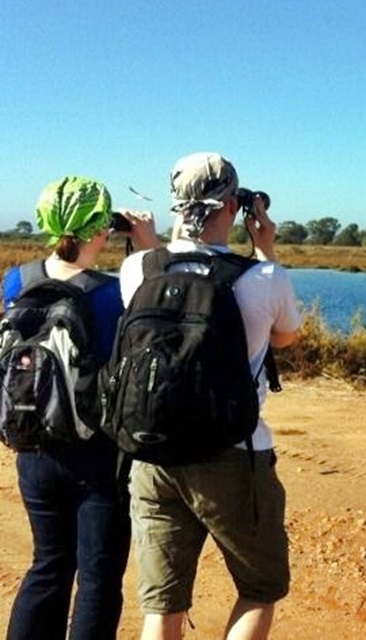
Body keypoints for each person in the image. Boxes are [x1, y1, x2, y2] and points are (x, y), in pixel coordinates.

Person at [117, 152, 302, 640]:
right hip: (235, 454)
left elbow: (169, 278)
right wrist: (266, 251)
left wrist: (151, 243)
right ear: (234, 207)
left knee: (162, 605)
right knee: (260, 588)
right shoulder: (263, 279)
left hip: (153, 451)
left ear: (176, 205)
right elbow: (285, 337)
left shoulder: (137, 269)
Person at [4, 176, 157, 640]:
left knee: (47, 565)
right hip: (97, 455)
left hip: (32, 446)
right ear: (99, 230)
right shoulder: (111, 294)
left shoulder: (16, 280)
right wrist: (146, 250)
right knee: (98, 578)